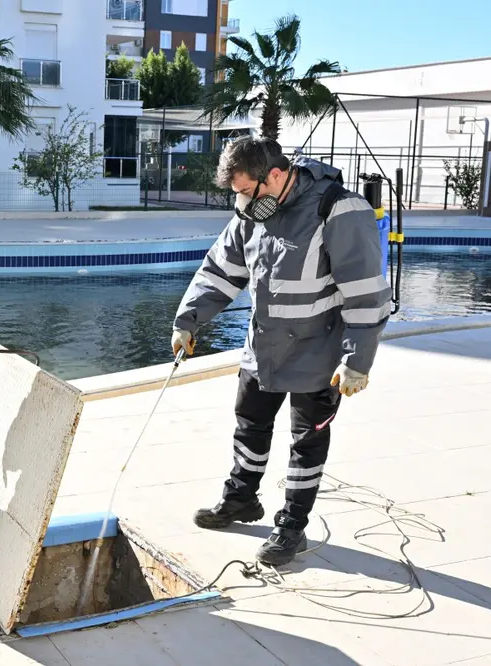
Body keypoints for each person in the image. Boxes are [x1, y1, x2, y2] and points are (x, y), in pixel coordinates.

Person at [171, 137, 390, 567]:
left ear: (274, 174)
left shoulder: (339, 210)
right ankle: (241, 500)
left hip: (320, 355)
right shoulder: (251, 212)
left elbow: (367, 293)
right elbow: (219, 272)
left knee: (306, 442)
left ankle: (292, 524)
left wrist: (357, 361)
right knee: (249, 426)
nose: (243, 202)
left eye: (247, 191)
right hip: (262, 349)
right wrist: (187, 320)